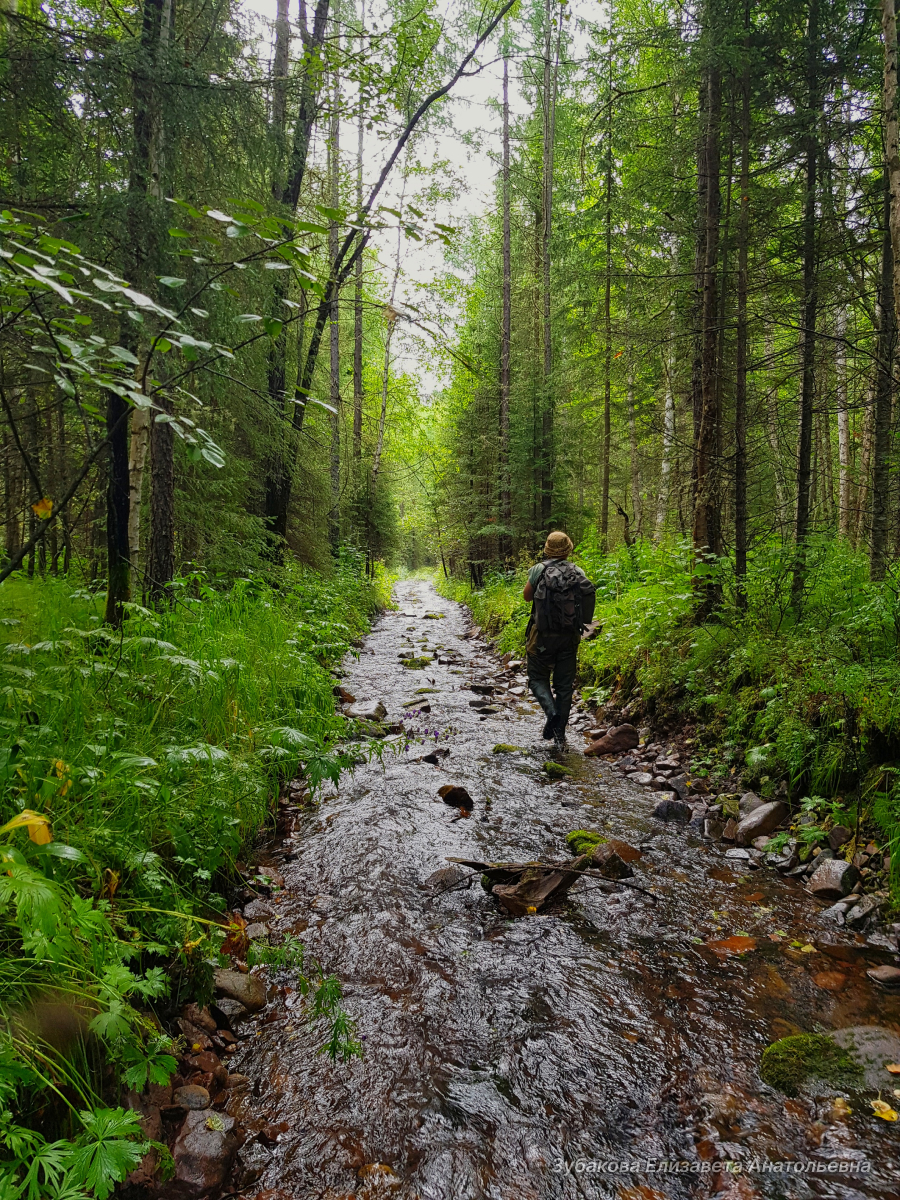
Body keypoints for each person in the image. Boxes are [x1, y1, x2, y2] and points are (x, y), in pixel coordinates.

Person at [522, 531, 596, 745]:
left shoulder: (539, 569)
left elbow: (527, 597)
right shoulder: (577, 570)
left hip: (541, 636)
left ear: (547, 548)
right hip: (569, 637)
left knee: (537, 678)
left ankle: (551, 712)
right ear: (568, 549)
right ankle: (560, 735)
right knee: (564, 686)